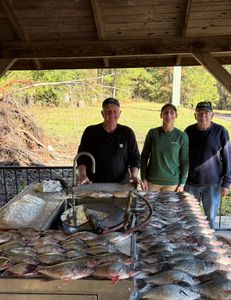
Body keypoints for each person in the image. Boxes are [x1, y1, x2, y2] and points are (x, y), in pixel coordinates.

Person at [184, 101, 231, 229]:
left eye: (206, 113)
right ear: (195, 115)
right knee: (189, 218)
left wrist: (226, 183)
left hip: (212, 184)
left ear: (212, 115)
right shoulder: (189, 131)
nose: (203, 116)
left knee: (210, 220)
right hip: (191, 183)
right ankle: (192, 247)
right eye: (200, 113)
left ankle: (210, 246)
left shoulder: (221, 131)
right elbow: (182, 157)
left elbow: (228, 158)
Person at [76, 97, 140, 185]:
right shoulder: (90, 131)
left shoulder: (127, 132)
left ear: (120, 113)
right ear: (102, 113)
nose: (111, 114)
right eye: (108, 111)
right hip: (94, 184)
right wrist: (83, 175)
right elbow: (81, 157)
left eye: (115, 111)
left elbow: (135, 158)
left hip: (121, 185)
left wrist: (134, 176)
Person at [141, 103, 189, 192]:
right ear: (161, 115)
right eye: (165, 112)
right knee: (150, 206)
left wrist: (182, 184)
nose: (168, 115)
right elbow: (144, 157)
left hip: (172, 183)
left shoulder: (181, 136)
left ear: (176, 115)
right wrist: (143, 178)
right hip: (152, 182)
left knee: (170, 206)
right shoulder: (153, 133)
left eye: (172, 113)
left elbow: (185, 162)